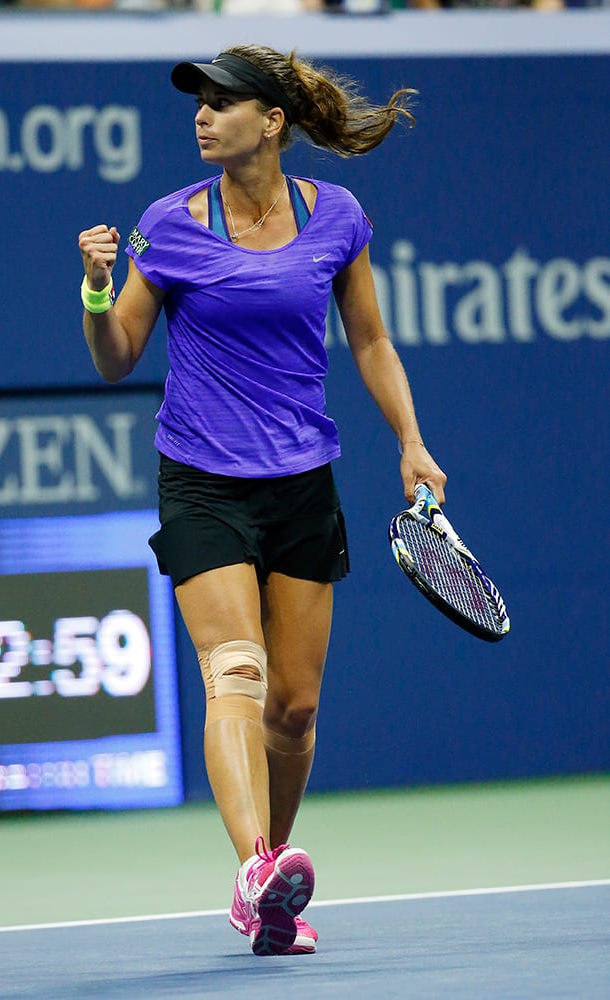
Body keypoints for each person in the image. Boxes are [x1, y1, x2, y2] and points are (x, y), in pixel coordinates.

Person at [77, 44, 447, 957]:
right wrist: (94, 286)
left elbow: (369, 341)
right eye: (197, 103)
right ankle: (253, 868)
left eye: (221, 102)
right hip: (201, 478)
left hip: (299, 482)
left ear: (271, 122)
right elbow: (118, 353)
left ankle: (271, 883)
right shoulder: (167, 223)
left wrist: (410, 440)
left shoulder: (337, 218)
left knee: (293, 709)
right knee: (233, 671)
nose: (201, 116)